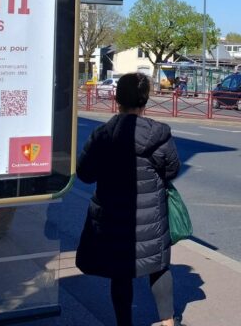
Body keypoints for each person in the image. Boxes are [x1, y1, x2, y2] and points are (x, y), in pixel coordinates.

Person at [76, 72, 183, 326]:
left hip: (113, 216)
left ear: (117, 98)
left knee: (121, 273)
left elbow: (84, 174)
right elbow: (172, 170)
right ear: (145, 100)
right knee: (158, 266)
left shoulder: (102, 135)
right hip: (151, 216)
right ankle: (168, 323)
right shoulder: (159, 134)